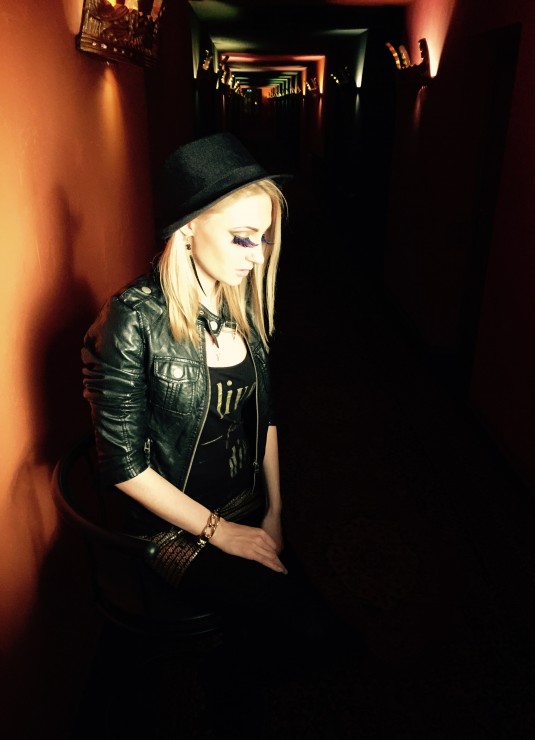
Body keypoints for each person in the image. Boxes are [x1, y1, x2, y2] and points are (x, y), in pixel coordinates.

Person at [81, 132, 357, 737]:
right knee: (303, 635)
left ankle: (233, 679)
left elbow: (267, 416)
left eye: (264, 238)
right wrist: (220, 532)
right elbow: (121, 465)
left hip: (245, 505)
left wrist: (275, 511)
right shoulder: (131, 320)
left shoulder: (239, 303)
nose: (257, 256)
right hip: (172, 530)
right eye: (241, 237)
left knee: (324, 635)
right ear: (186, 230)